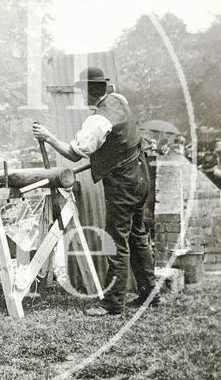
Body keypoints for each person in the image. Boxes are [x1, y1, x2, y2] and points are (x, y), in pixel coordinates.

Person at [32, 67, 158, 316]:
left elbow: (72, 152)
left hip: (123, 185)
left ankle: (112, 304)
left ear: (88, 92)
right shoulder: (119, 100)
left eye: (81, 91)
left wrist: (48, 137)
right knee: (137, 236)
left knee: (117, 240)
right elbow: (117, 143)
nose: (80, 96)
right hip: (141, 177)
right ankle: (149, 295)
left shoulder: (97, 121)